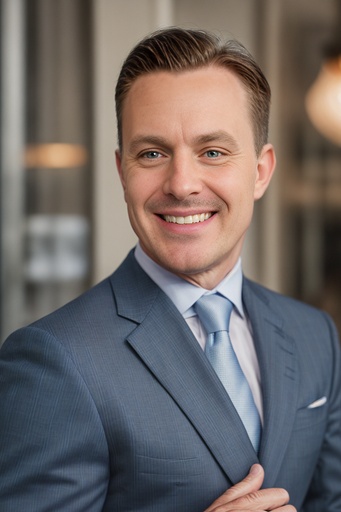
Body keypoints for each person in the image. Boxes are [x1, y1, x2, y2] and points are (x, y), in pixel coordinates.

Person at [0, 27, 340, 512]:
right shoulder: (54, 360)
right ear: (122, 171)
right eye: (153, 154)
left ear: (261, 171)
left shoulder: (314, 337)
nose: (181, 184)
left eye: (213, 152)